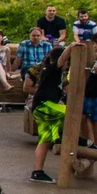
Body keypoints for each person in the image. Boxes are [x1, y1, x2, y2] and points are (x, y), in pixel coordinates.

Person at [27, 49, 71, 183]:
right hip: (43, 106)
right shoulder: (52, 69)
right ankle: (78, 139)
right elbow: (62, 58)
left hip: (44, 107)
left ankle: (37, 172)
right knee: (70, 112)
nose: (68, 65)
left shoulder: (57, 74)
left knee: (45, 140)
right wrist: (71, 47)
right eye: (68, 62)